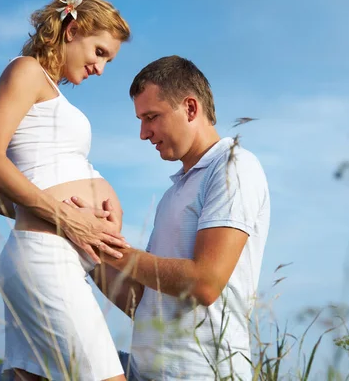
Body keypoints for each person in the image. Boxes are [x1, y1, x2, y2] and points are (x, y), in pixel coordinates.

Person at [66, 55, 271, 380]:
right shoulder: (172, 193)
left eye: (152, 117)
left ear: (190, 108)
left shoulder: (234, 167)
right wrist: (89, 245)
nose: (143, 133)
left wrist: (116, 253)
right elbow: (143, 302)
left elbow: (206, 282)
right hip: (143, 371)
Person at [0, 0, 132, 381]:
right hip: (45, 257)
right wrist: (71, 221)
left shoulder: (49, 92)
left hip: (57, 259)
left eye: (107, 60)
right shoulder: (26, 71)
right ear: (72, 29)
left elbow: (10, 194)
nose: (100, 68)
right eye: (99, 52)